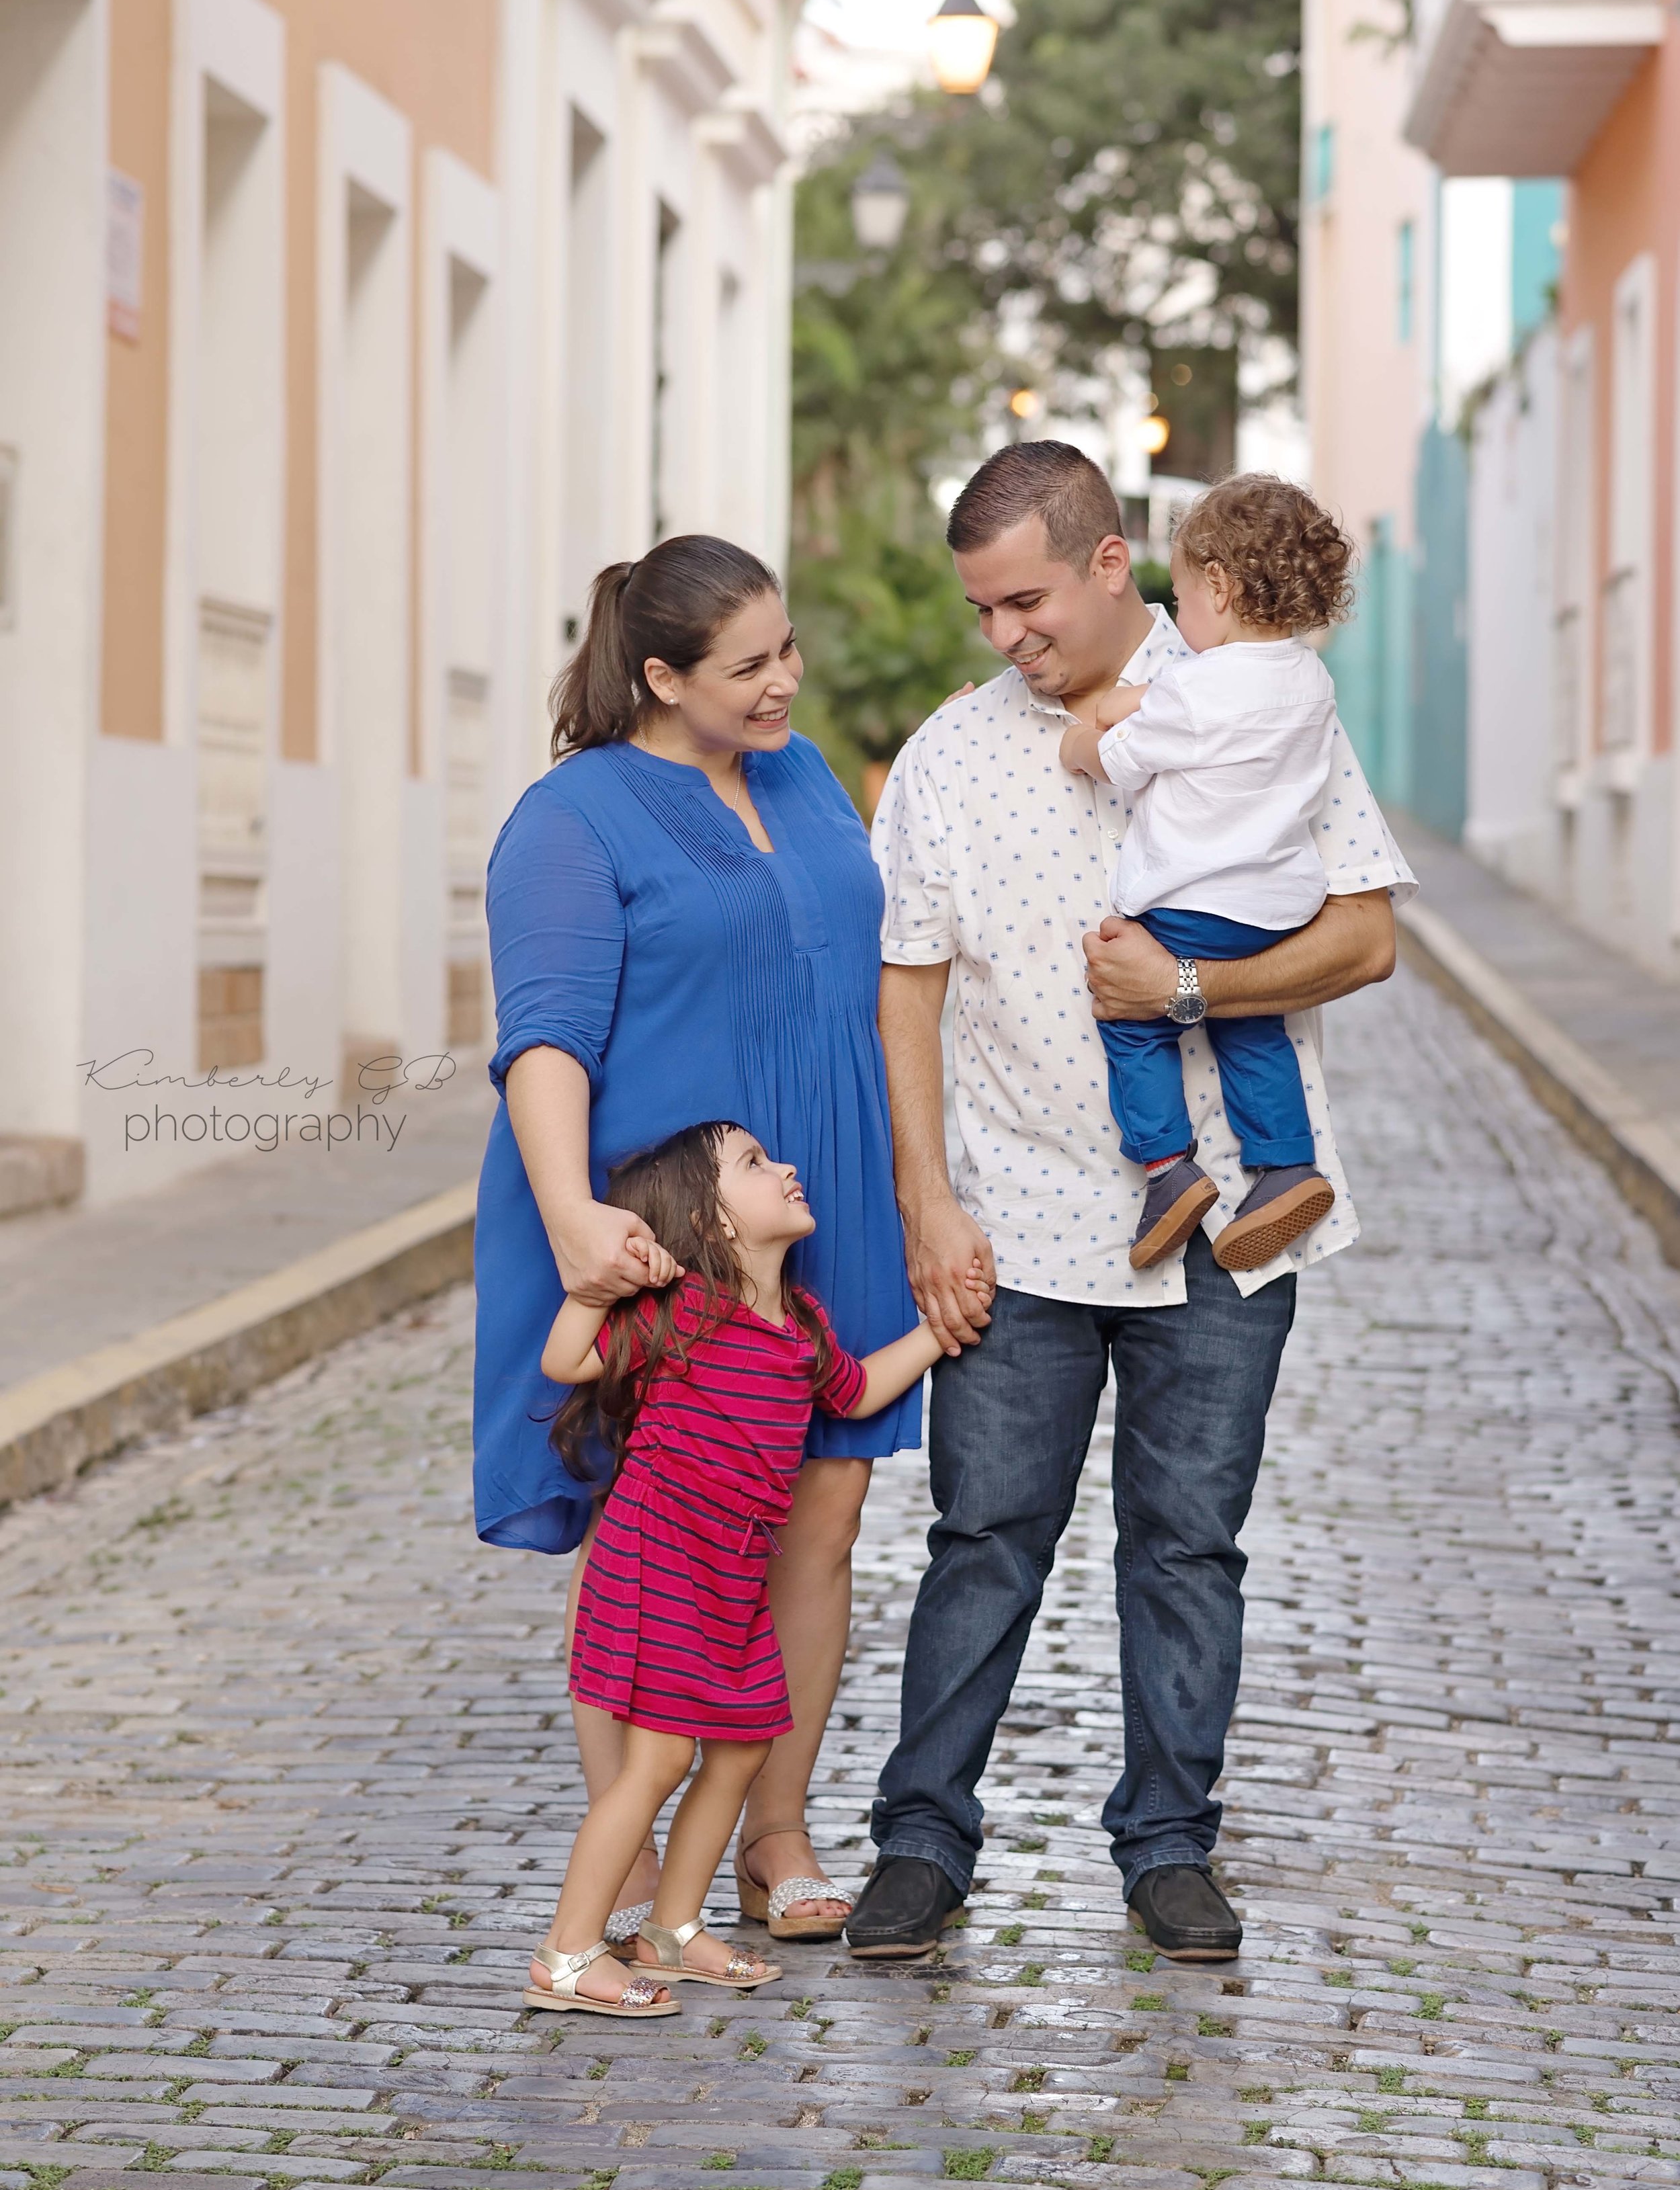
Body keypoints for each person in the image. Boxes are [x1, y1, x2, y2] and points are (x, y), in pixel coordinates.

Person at [849, 440, 1415, 1966]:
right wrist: (927, 1207)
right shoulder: (952, 761)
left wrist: (1190, 985)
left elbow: (1362, 937)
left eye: (1023, 599)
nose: (1003, 635)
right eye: (980, 610)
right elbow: (906, 998)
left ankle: (1169, 1847)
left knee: (1188, 1544)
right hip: (1020, 1222)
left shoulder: (1268, 692)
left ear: (1113, 562)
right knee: (983, 1537)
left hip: (1228, 1222)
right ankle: (922, 1842)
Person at [473, 534, 940, 1966]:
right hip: (663, 1210)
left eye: (788, 648)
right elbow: (543, 1032)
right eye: (749, 666)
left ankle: (772, 1835)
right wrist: (569, 1217)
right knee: (658, 1523)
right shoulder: (573, 817)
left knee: (823, 1503)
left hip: (816, 1191)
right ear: (660, 674)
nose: (784, 680)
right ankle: (634, 1830)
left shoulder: (801, 780)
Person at [524, 1119, 974, 2015]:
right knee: (655, 1763)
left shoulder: (798, 1329)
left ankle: (672, 1929)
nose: (789, 1165)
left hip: (728, 1577)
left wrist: (941, 1327)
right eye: (756, 1164)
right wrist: (601, 1276)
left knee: (740, 1745)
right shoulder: (685, 1309)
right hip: (658, 1561)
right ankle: (568, 1954)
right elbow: (563, 1357)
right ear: (710, 1219)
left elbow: (856, 1389)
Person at [1057, 475, 1354, 1275]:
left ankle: (1167, 1170)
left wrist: (1081, 741)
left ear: (1217, 588)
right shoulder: (1309, 680)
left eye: (1183, 600)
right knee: (1250, 1026)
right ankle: (1287, 1165)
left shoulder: (1192, 687)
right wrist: (1144, 699)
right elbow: (1187, 706)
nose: (1178, 618)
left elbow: (1123, 758)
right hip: (1272, 912)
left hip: (1189, 905)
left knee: (1131, 1017)